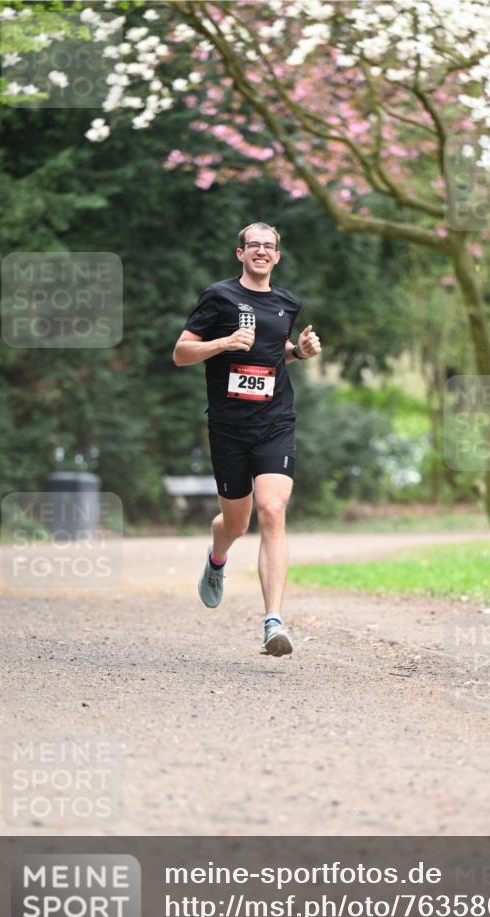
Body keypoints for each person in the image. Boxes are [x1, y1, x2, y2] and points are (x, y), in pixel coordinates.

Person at [173, 222, 321, 656]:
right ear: (240, 253)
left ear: (277, 256)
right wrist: (223, 343)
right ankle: (217, 557)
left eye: (268, 246)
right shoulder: (218, 297)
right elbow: (181, 353)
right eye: (253, 245)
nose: (261, 251)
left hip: (275, 421)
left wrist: (299, 353)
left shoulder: (286, 302)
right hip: (228, 427)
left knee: (272, 510)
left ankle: (273, 620)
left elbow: (276, 355)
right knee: (235, 523)